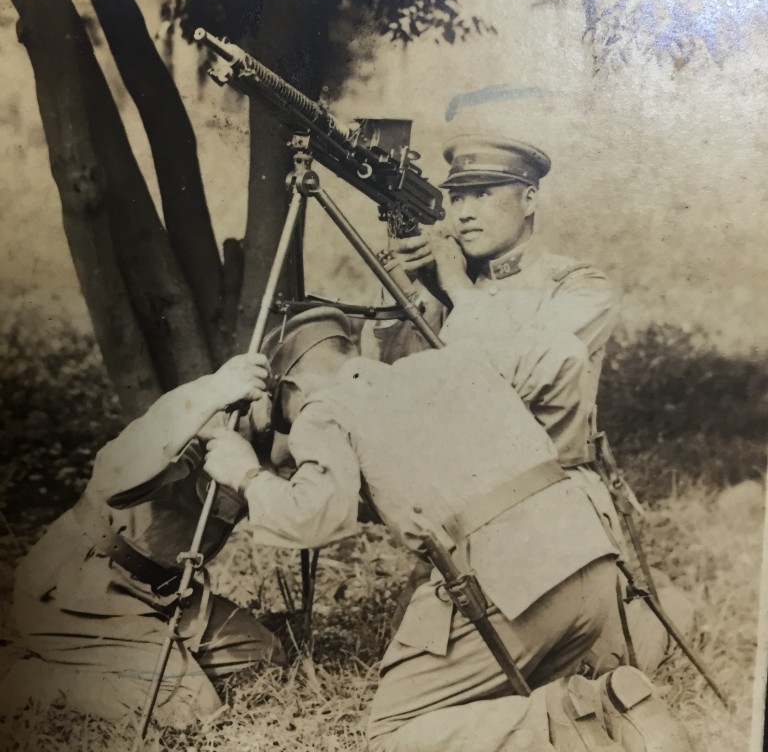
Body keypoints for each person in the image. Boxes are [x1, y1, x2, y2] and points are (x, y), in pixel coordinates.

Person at [203, 306, 691, 752]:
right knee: (511, 686)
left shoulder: (322, 405)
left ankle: (570, 716)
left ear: (290, 389)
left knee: (392, 734)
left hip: (515, 590)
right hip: (589, 557)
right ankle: (620, 696)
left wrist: (247, 475)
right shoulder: (452, 363)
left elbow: (312, 517)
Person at [369, 133, 693, 672]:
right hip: (469, 510)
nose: (465, 212)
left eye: (484, 193)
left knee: (597, 669)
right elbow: (397, 380)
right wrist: (406, 292)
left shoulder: (579, 284)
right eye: (457, 198)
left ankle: (660, 611)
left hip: (555, 503)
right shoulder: (446, 285)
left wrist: (455, 286)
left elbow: (523, 370)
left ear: (530, 199)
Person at [2, 354, 286, 728]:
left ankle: (135, 660)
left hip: (165, 594)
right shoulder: (207, 412)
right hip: (82, 590)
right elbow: (113, 477)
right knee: (191, 709)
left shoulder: (284, 439)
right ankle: (25, 680)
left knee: (261, 652)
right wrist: (214, 390)